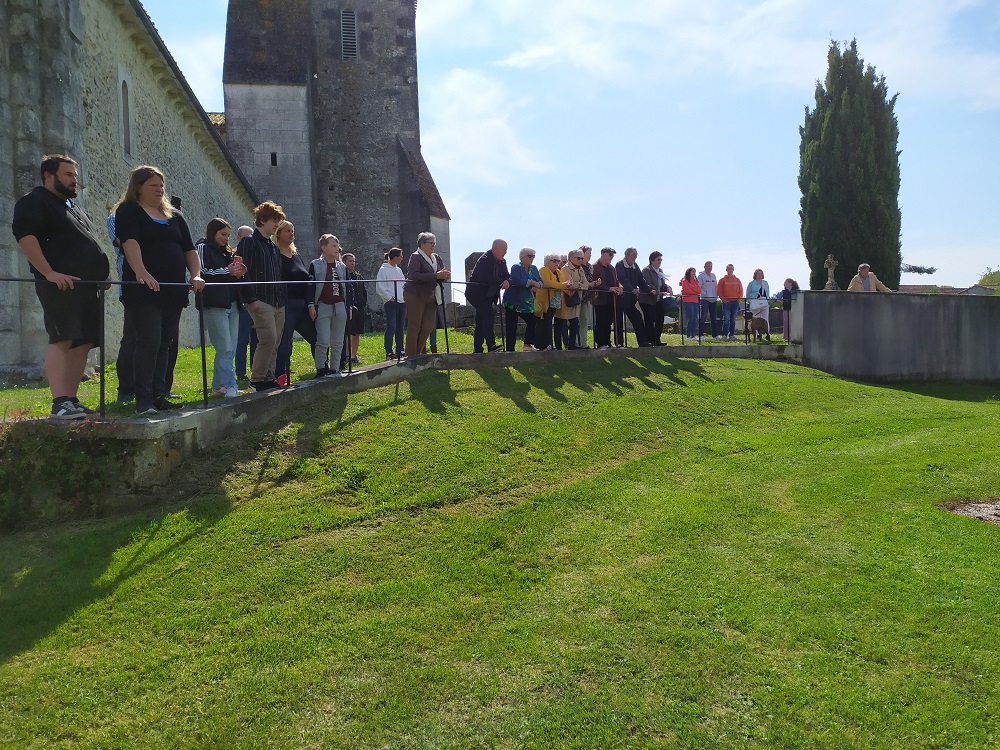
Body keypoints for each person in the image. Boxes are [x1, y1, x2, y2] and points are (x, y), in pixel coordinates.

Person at [11, 154, 111, 419]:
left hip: (88, 286)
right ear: (48, 175)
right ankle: (59, 403)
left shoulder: (72, 207)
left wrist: (102, 274)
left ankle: (71, 400)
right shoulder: (33, 201)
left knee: (83, 342)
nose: (74, 180)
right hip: (60, 284)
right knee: (62, 338)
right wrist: (48, 273)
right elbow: (25, 237)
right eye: (68, 174)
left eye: (75, 175)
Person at [114, 165, 204, 415]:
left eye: (161, 185)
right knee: (149, 341)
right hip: (144, 289)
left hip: (173, 290)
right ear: (138, 187)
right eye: (153, 185)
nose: (159, 189)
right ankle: (143, 400)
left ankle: (159, 394)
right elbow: (130, 243)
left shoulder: (174, 216)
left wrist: (196, 274)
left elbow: (189, 249)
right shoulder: (129, 210)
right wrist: (141, 272)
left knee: (165, 343)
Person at [238, 201, 287, 391]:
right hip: (260, 299)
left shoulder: (273, 247)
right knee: (268, 338)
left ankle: (268, 377)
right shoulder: (249, 241)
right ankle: (257, 379)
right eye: (274, 220)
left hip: (277, 301)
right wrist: (251, 299)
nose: (276, 225)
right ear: (263, 220)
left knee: (275, 341)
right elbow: (242, 272)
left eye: (278, 221)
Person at [197, 218, 246, 398]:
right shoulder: (202, 247)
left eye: (228, 235)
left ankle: (219, 385)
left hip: (232, 303)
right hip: (214, 304)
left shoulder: (227, 252)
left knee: (230, 348)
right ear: (213, 232)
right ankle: (230, 385)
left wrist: (239, 273)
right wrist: (228, 271)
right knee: (225, 347)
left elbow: (229, 275)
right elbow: (202, 273)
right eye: (223, 234)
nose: (226, 238)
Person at [272, 220, 316, 385]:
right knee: (285, 343)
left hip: (302, 305)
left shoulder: (297, 256)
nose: (291, 234)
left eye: (292, 231)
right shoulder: (275, 255)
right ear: (278, 234)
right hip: (286, 304)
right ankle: (281, 374)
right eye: (288, 231)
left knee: (316, 337)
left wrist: (310, 303)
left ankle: (322, 367)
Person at [308, 234, 351, 377]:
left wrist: (349, 306)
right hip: (323, 306)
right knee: (323, 340)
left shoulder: (342, 267)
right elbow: (310, 286)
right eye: (333, 245)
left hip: (340, 306)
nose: (337, 248)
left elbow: (348, 288)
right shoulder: (315, 265)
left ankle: (334, 368)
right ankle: (321, 368)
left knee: (338, 341)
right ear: (324, 247)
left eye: (337, 245)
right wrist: (311, 305)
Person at [403, 232, 449, 356]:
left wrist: (444, 276)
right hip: (415, 294)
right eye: (431, 243)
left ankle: (416, 354)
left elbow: (439, 274)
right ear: (422, 244)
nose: (433, 245)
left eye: (434, 243)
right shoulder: (415, 257)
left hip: (432, 295)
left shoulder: (437, 257)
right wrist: (435, 276)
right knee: (414, 326)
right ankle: (410, 356)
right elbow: (414, 275)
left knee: (428, 327)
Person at [466, 239, 511, 353]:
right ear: (495, 249)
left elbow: (507, 276)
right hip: (476, 294)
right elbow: (486, 277)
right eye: (504, 249)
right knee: (489, 313)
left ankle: (478, 349)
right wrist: (502, 281)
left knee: (481, 320)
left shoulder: (502, 262)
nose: (505, 252)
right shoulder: (484, 260)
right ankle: (491, 345)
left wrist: (507, 281)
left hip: (488, 296)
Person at [503, 247, 541, 352]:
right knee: (511, 326)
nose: (532, 258)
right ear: (522, 257)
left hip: (526, 303)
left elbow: (540, 280)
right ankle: (510, 349)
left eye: (533, 256)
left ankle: (527, 344)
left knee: (532, 321)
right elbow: (517, 280)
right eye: (530, 256)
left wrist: (538, 285)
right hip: (513, 302)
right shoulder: (516, 267)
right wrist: (531, 283)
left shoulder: (534, 268)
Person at [614, 247, 651, 347]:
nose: (636, 256)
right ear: (626, 255)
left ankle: (642, 342)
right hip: (621, 299)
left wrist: (649, 290)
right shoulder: (619, 265)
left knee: (638, 319)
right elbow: (622, 279)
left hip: (631, 300)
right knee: (619, 322)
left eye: (636, 254)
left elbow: (641, 280)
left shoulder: (635, 266)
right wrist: (632, 289)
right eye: (634, 254)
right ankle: (619, 344)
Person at [233, 225, 256, 381]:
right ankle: (241, 372)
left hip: (255, 301)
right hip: (242, 303)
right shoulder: (233, 257)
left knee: (256, 338)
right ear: (238, 238)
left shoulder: (255, 256)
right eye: (245, 238)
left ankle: (256, 370)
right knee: (242, 339)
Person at [535, 252, 571, 351]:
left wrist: (565, 286)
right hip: (545, 301)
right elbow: (547, 283)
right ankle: (542, 345)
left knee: (549, 322)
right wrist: (563, 285)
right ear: (547, 261)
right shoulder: (543, 269)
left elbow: (561, 284)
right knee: (544, 323)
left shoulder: (558, 272)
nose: (557, 263)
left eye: (558, 261)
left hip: (555, 301)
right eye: (554, 261)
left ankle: (547, 345)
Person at [376, 247, 406, 360]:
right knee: (392, 327)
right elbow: (380, 287)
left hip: (402, 302)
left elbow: (403, 284)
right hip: (391, 303)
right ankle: (389, 352)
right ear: (395, 257)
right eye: (401, 256)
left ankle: (400, 350)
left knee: (400, 327)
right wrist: (389, 298)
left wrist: (404, 296)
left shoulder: (399, 270)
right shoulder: (383, 270)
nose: (402, 258)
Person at [591, 247, 623, 349]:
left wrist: (620, 287)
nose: (612, 257)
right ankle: (600, 343)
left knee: (608, 322)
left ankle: (607, 342)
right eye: (610, 254)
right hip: (600, 299)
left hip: (611, 299)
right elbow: (594, 284)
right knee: (601, 321)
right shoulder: (595, 267)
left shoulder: (611, 268)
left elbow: (616, 281)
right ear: (603, 254)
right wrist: (609, 288)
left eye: (613, 255)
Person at [561, 249, 590, 349]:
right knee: (563, 323)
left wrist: (578, 285)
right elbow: (570, 284)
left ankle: (573, 345)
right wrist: (580, 285)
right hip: (567, 299)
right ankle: (566, 345)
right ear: (571, 258)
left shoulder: (580, 269)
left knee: (575, 323)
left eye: (582, 258)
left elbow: (586, 285)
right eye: (579, 258)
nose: (581, 260)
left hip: (577, 299)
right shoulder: (565, 269)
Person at [343, 252, 368, 363]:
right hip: (349, 308)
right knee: (348, 332)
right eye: (350, 261)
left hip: (359, 307)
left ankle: (354, 355)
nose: (352, 263)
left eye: (353, 261)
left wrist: (362, 302)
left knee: (357, 332)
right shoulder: (343, 276)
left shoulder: (358, 276)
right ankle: (347, 355)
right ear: (344, 262)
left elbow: (363, 291)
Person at [640, 251, 667, 346]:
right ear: (652, 260)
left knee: (660, 320)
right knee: (650, 321)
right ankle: (650, 341)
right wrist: (657, 291)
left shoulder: (660, 271)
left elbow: (662, 284)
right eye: (658, 259)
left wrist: (667, 288)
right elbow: (647, 284)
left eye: (661, 260)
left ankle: (657, 340)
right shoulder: (646, 270)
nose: (660, 261)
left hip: (658, 300)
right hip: (647, 300)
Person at [717, 263, 744, 340]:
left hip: (735, 302)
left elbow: (741, 291)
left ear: (733, 270)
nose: (730, 270)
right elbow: (719, 291)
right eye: (729, 268)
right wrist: (724, 300)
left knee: (733, 319)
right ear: (726, 269)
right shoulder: (722, 280)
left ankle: (731, 335)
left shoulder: (737, 280)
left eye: (732, 269)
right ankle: (724, 334)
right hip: (726, 303)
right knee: (726, 319)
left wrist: (739, 300)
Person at [577, 245, 597, 348]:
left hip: (587, 297)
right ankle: (576, 343)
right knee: (576, 321)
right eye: (588, 253)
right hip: (578, 296)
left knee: (584, 320)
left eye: (590, 253)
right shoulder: (577, 266)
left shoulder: (590, 266)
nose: (590, 255)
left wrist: (595, 283)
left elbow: (590, 279)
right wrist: (590, 284)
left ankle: (584, 344)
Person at [697, 261, 720, 339]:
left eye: (711, 266)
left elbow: (716, 286)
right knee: (703, 317)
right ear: (704, 267)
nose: (710, 268)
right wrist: (705, 294)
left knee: (713, 318)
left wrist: (716, 295)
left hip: (713, 299)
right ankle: (700, 335)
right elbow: (698, 287)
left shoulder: (713, 275)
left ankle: (715, 335)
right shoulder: (701, 276)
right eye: (708, 266)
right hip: (705, 299)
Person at [746, 268, 771, 337]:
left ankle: (767, 333)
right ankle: (756, 334)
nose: (759, 275)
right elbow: (748, 294)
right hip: (755, 302)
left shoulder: (765, 283)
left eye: (761, 274)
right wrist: (751, 301)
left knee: (765, 318)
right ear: (755, 275)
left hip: (764, 301)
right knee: (756, 319)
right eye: (758, 274)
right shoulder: (751, 283)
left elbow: (767, 292)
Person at [679, 267, 702, 339]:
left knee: (695, 318)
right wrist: (695, 291)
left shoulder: (696, 281)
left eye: (695, 272)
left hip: (695, 301)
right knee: (691, 317)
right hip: (688, 301)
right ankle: (688, 335)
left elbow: (699, 290)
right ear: (689, 272)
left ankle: (693, 335)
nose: (694, 273)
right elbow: (687, 290)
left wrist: (693, 290)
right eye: (693, 271)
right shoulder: (685, 280)